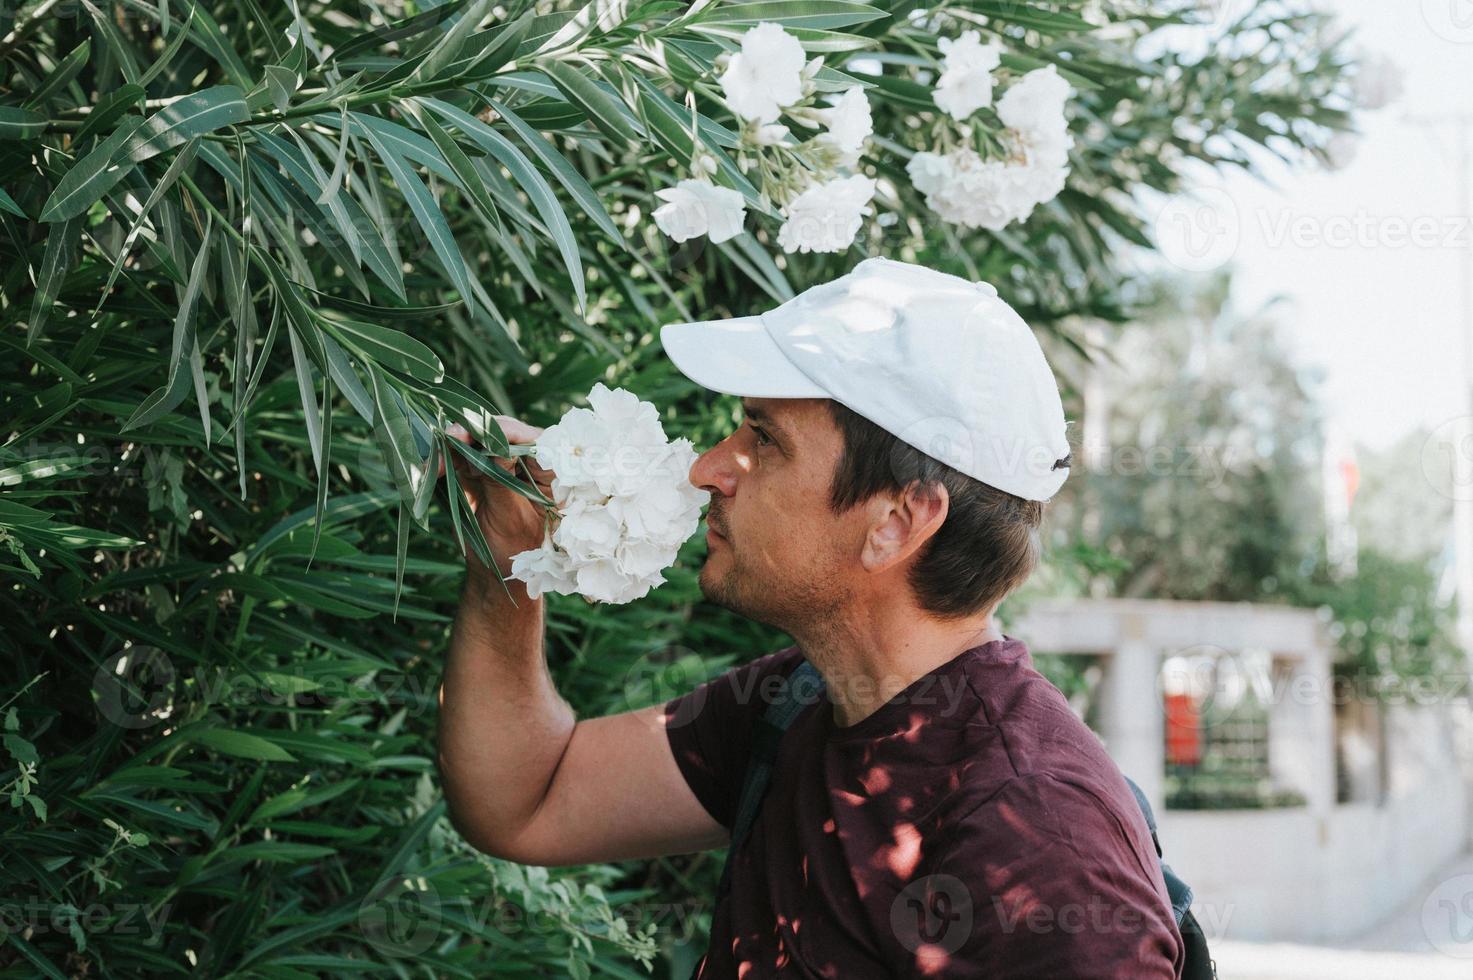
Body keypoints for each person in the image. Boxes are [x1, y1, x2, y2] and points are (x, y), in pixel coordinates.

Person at [437, 257, 1186, 978]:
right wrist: (508, 551)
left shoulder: (1035, 839)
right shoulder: (796, 701)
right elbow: (524, 802)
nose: (709, 469)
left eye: (764, 439)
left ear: (897, 520)